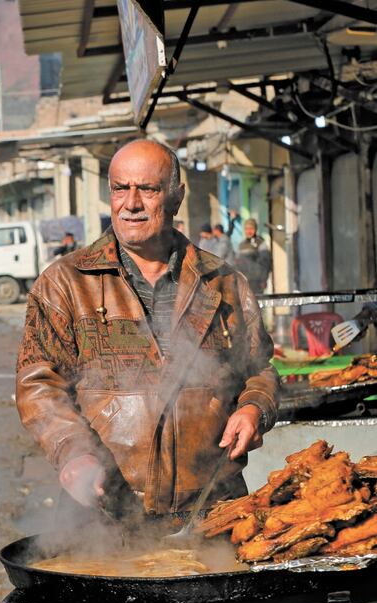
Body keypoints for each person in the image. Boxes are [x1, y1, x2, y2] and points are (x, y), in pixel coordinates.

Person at [15, 139, 278, 519]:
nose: (131, 203)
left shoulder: (222, 282)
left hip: (212, 508)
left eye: (148, 189)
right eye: (120, 188)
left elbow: (260, 370)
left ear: (176, 197)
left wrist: (255, 407)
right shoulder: (67, 283)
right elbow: (38, 383)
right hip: (105, 513)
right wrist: (71, 449)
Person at [235, 218, 271, 294]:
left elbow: (266, 263)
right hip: (244, 282)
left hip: (257, 282)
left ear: (255, 229)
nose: (249, 231)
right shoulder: (241, 245)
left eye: (251, 228)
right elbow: (237, 263)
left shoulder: (260, 243)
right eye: (247, 229)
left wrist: (263, 280)